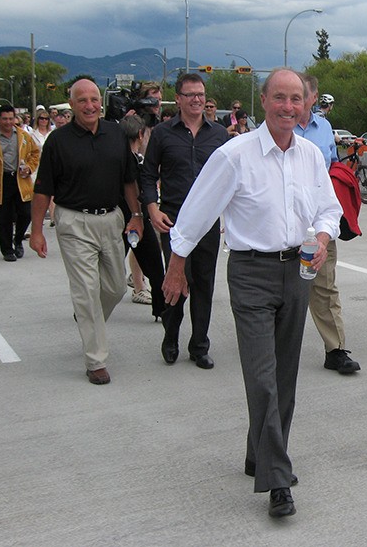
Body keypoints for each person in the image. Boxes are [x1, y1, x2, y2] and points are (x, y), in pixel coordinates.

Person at [162, 68, 342, 518]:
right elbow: (197, 209)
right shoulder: (234, 155)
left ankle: (256, 453)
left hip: (298, 271)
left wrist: (322, 238)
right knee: (262, 378)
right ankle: (277, 479)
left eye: (296, 99)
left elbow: (328, 208)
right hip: (250, 273)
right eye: (279, 98)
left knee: (284, 378)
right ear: (263, 101)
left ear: (306, 104)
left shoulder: (309, 155)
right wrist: (176, 265)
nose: (288, 107)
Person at [30, 79, 144, 385]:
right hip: (73, 222)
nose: (90, 105)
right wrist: (37, 230)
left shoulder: (115, 134)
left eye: (94, 99)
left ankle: (87, 317)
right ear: (72, 105)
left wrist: (136, 216)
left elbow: (129, 180)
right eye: (82, 100)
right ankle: (96, 360)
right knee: (87, 291)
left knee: (116, 288)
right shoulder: (58, 141)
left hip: (111, 220)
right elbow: (43, 189)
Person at [142, 73, 228, 369]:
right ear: (177, 99)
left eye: (201, 95)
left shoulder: (218, 134)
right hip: (174, 220)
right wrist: (152, 209)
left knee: (204, 284)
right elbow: (148, 175)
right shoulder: (163, 134)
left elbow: (230, 178)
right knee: (175, 283)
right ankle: (171, 336)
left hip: (208, 224)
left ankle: (199, 346)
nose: (196, 100)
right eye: (190, 95)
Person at [295, 73, 360, 374]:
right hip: (284, 222)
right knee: (279, 289)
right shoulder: (277, 127)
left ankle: (335, 349)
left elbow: (331, 168)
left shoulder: (325, 129)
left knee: (324, 287)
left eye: (303, 95)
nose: (296, 101)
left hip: (319, 224)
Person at [118, 114, 165, 319]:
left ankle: (88, 308)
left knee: (108, 268)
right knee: (155, 268)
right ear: (140, 134)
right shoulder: (137, 161)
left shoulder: (113, 160)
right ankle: (161, 309)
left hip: (117, 218)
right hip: (137, 219)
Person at [0, 104, 40, 261]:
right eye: (4, 119)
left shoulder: (23, 136)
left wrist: (29, 167)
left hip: (20, 179)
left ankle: (18, 239)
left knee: (25, 213)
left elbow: (35, 153)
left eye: (11, 118)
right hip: (0, 180)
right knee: (3, 217)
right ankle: (7, 249)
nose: (8, 122)